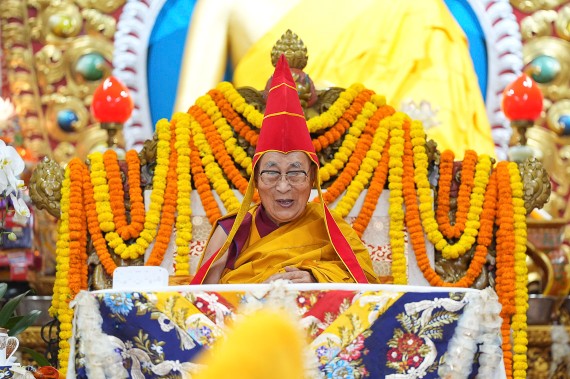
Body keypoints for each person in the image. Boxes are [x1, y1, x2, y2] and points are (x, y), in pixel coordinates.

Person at [174, 0, 497, 158]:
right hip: (269, 178)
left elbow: (443, 137)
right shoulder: (225, 4)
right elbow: (188, 125)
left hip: (393, 186)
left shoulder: (411, 7)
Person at [191, 55, 378, 285]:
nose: (283, 186)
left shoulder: (331, 230)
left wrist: (316, 279)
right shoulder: (231, 232)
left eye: (295, 173)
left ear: (312, 180)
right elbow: (203, 300)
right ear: (256, 181)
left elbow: (367, 285)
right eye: (271, 173)